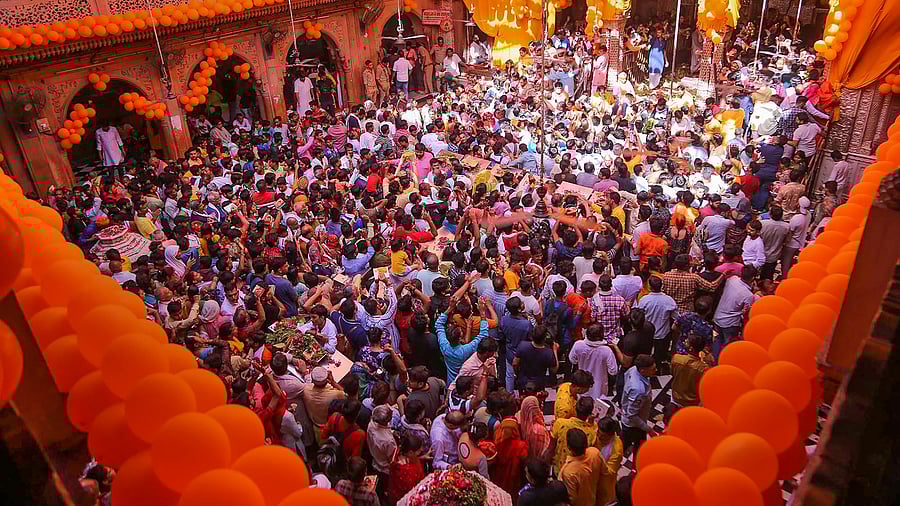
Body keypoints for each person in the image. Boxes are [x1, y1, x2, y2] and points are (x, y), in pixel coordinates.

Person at [712, 265, 757, 359]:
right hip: (730, 323)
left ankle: (714, 360)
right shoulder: (748, 295)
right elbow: (746, 311)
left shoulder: (732, 279)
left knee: (717, 339)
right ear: (753, 278)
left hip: (718, 317)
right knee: (727, 345)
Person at [667, 334, 711, 423]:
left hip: (676, 396)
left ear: (691, 348)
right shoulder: (704, 368)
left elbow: (672, 373)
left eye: (687, 342)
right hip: (692, 401)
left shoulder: (676, 358)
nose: (684, 342)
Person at [634, 276, 677, 367]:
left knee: (647, 355)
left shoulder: (644, 300)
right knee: (659, 356)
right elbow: (676, 317)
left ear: (650, 287)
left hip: (647, 333)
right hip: (662, 334)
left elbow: (638, 316)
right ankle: (657, 368)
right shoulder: (669, 300)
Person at [568, 323, 619, 399]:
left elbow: (572, 360)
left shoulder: (578, 345)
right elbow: (613, 371)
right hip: (599, 388)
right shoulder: (606, 351)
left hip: (581, 385)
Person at [620, 354, 657, 454]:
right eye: (652, 369)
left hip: (628, 417)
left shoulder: (633, 369)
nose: (656, 370)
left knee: (625, 443)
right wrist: (648, 429)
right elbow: (632, 414)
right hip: (634, 425)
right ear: (643, 370)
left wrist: (623, 405)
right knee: (639, 447)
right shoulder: (638, 390)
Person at [559, 428, 606, 506]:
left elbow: (572, 498)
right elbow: (604, 472)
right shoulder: (595, 452)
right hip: (594, 498)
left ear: (569, 447)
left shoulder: (569, 472)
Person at [759, 206, 791, 280]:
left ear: (770, 214)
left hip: (761, 253)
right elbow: (787, 241)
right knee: (768, 276)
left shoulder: (762, 224)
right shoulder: (786, 227)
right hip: (774, 255)